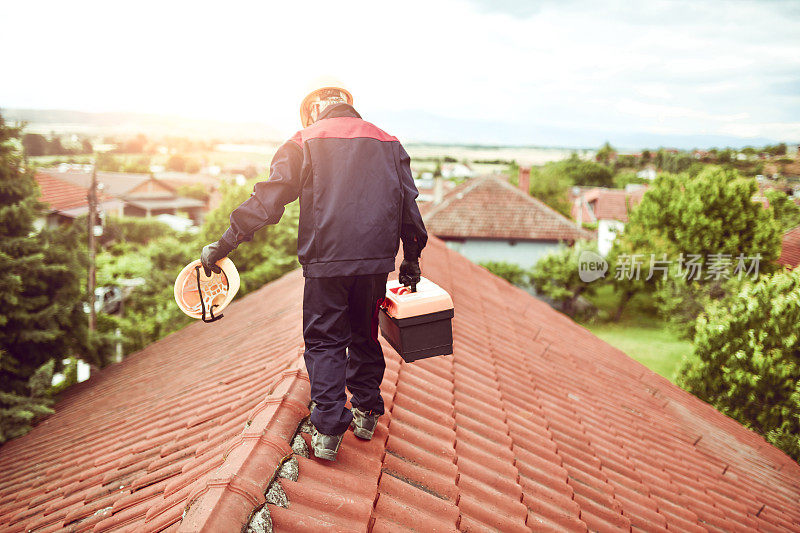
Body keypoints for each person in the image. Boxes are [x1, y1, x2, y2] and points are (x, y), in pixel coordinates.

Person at [200, 78, 427, 461]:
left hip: (326, 263)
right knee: (364, 332)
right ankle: (367, 412)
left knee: (324, 340)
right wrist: (411, 257)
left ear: (313, 110)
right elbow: (409, 202)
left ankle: (327, 430)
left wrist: (225, 244)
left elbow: (268, 200)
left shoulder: (304, 140)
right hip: (374, 264)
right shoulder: (389, 142)